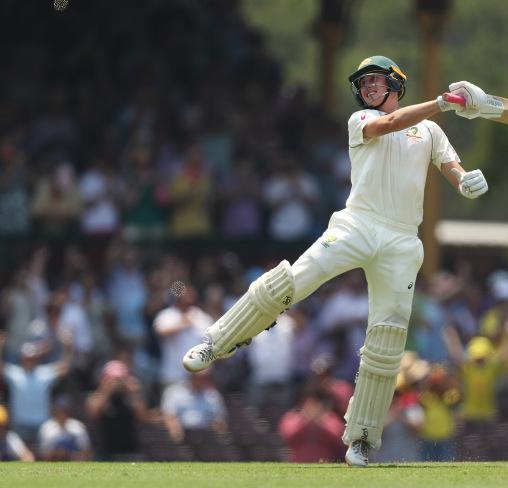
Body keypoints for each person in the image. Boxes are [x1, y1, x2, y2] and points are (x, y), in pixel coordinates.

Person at [183, 55, 491, 466]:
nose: (369, 89)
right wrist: (443, 101)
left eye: (377, 81)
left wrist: (466, 180)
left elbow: (450, 165)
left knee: (387, 338)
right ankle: (214, 342)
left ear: (397, 85)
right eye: (363, 84)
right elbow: (389, 125)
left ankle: (361, 439)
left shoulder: (430, 131)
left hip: (402, 240)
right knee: (290, 282)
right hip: (356, 224)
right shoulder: (360, 121)